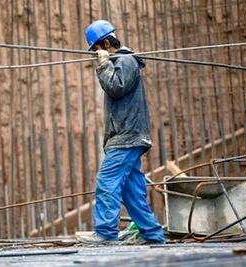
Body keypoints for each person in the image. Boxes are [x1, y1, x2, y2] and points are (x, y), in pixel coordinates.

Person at [81, 20, 165, 245]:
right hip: (127, 136)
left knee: (107, 181)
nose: (95, 55)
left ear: (107, 43)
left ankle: (106, 233)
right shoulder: (121, 61)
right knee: (132, 191)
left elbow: (116, 88)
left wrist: (103, 65)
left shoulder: (126, 60)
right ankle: (154, 235)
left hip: (126, 137)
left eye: (97, 49)